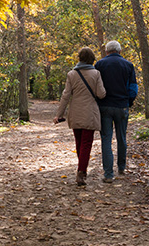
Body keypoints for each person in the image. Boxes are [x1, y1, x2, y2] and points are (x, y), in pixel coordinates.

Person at [53, 47, 106, 186]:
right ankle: (81, 172)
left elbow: (65, 96)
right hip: (90, 112)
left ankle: (81, 170)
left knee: (79, 142)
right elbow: (101, 94)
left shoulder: (72, 74)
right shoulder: (96, 73)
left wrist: (58, 115)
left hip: (75, 112)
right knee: (87, 143)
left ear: (79, 58)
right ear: (92, 58)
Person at [95, 40, 138, 183]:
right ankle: (121, 167)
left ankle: (108, 174)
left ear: (107, 51)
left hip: (105, 106)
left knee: (106, 139)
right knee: (121, 137)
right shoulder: (128, 65)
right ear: (120, 51)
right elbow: (133, 88)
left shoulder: (99, 65)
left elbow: (96, 87)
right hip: (122, 105)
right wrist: (129, 102)